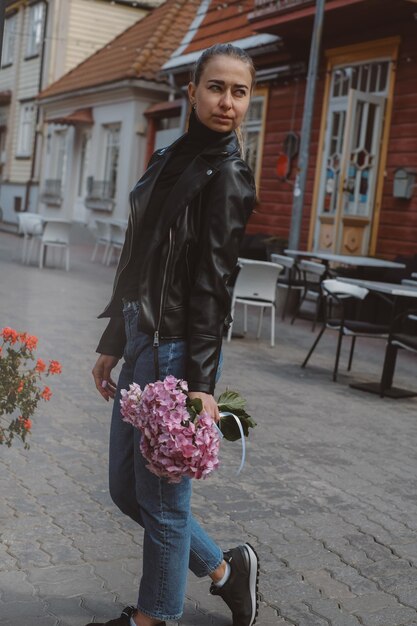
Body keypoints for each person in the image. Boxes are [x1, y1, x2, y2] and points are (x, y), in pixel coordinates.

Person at [90, 43, 259, 626]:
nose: (228, 103)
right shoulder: (168, 158)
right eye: (217, 87)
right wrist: (115, 336)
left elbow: (216, 285)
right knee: (126, 490)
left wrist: (202, 383)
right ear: (191, 92)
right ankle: (224, 570)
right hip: (141, 333)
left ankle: (153, 617)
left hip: (176, 350)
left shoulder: (229, 177)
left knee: (162, 503)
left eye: (240, 92)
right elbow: (137, 258)